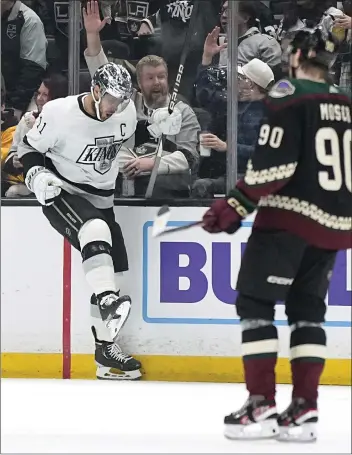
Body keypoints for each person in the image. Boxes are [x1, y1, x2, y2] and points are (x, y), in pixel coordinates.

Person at [201, 27, 351, 442]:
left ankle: (261, 403)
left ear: (298, 56)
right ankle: (305, 409)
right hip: (335, 225)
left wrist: (232, 206)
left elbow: (274, 166)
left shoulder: (289, 95)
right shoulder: (345, 101)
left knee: (254, 301)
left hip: (288, 220)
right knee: (307, 309)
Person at [17, 62, 170, 380]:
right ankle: (108, 301)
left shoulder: (124, 111)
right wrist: (35, 175)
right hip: (61, 191)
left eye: (122, 100)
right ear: (96, 90)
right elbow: (28, 148)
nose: (116, 107)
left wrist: (158, 129)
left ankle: (104, 350)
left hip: (102, 198)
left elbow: (130, 137)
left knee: (118, 274)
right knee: (96, 231)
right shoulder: (60, 114)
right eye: (111, 99)